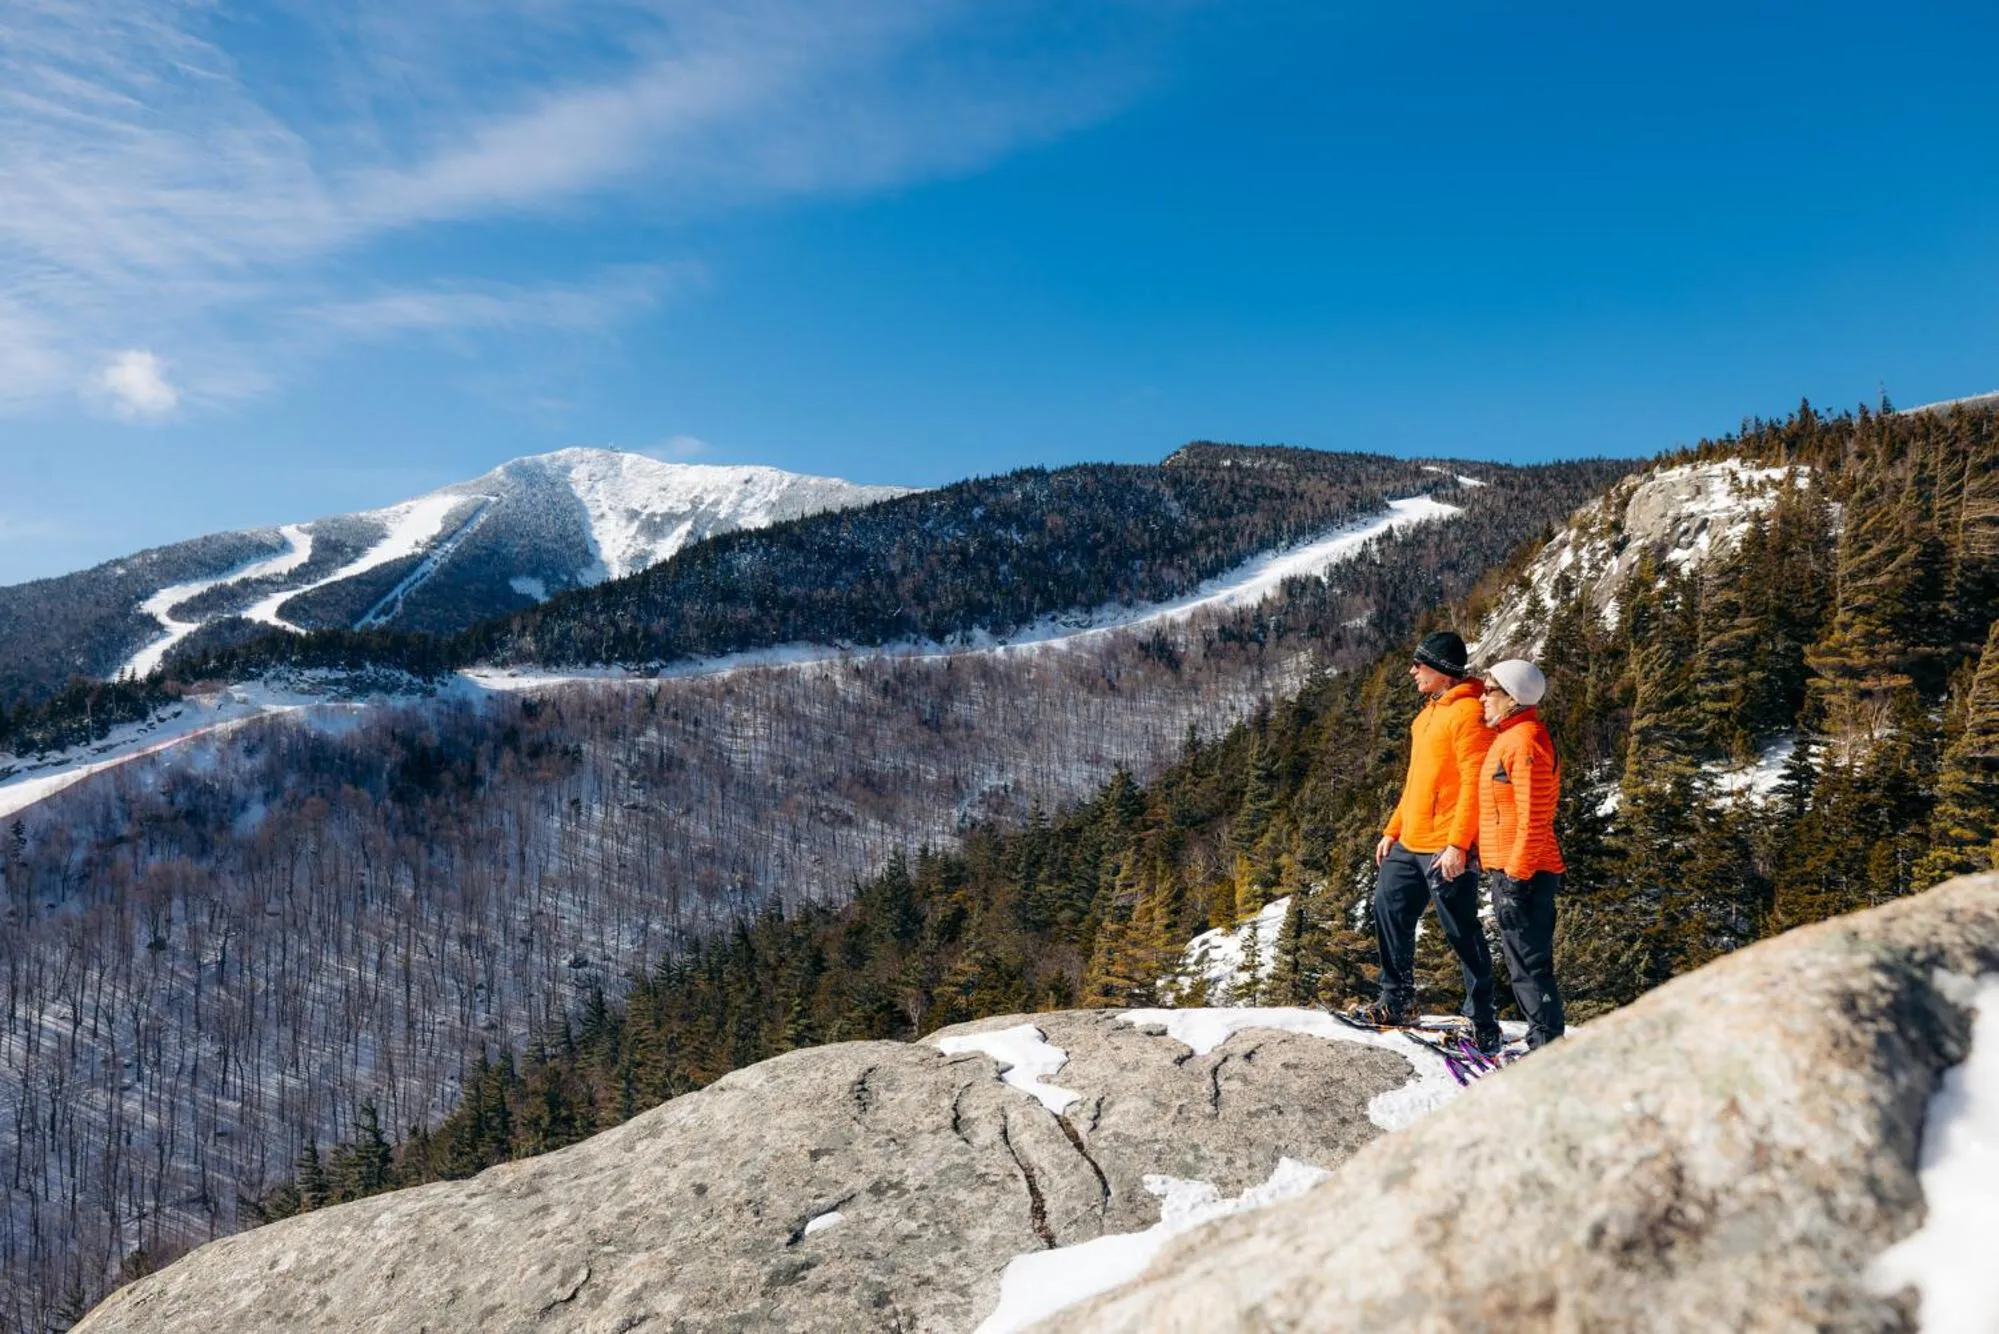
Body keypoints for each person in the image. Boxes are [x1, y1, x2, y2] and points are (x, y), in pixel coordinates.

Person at [1352, 630, 1502, 1053]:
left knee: (1460, 929)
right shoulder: (1426, 716)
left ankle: (1481, 1019)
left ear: (1442, 671)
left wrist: (1459, 844)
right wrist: (1393, 828)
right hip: (1410, 840)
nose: (1412, 670)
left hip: (1445, 844)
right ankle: (1396, 1000)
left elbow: (1477, 783)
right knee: (1388, 910)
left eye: (1420, 664)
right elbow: (1417, 782)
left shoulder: (1470, 714)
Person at [1476, 658, 1567, 1050]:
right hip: (1515, 870)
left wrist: (1515, 877)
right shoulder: (1510, 737)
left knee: (1530, 966)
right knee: (1521, 964)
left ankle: (1546, 1046)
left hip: (1526, 873)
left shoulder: (1525, 741)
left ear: (1512, 698)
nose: (1483, 698)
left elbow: (1535, 815)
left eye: (1490, 690)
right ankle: (1542, 1041)